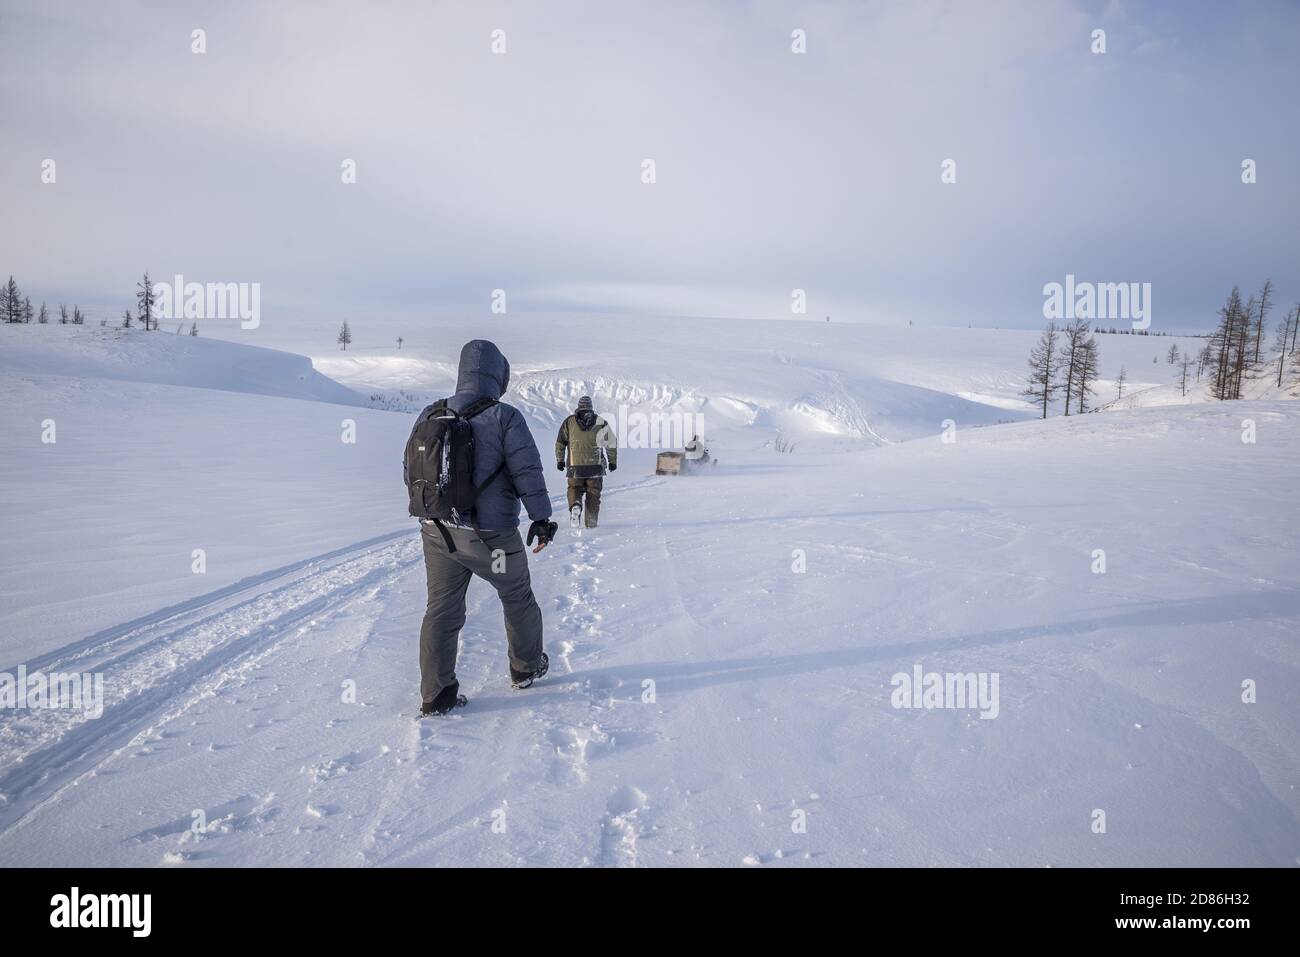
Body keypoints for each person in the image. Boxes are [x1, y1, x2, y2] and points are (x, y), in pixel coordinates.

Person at [408, 340, 556, 716]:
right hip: (492, 542)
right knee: (517, 597)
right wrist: (540, 518)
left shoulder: (431, 412)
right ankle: (524, 667)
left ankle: (436, 695)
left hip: (437, 534)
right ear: (498, 375)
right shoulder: (505, 417)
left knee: (441, 610)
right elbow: (527, 472)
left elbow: (411, 472)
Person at [555, 395, 617, 528]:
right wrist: (612, 462)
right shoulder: (601, 422)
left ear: (579, 406)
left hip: (575, 467)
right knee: (593, 494)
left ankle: (575, 505)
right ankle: (591, 523)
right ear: (591, 407)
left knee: (574, 488)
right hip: (595, 467)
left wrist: (560, 460)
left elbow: (560, 442)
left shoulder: (569, 422)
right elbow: (611, 443)